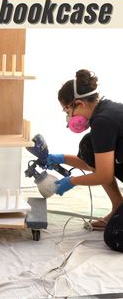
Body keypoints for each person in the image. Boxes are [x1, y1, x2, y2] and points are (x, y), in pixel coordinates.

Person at [47, 69, 123, 252]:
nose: (68, 118)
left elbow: (104, 175)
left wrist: (70, 181)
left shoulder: (103, 122)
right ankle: (118, 206)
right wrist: (62, 158)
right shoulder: (106, 110)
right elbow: (100, 163)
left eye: (67, 111)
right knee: (89, 146)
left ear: (79, 104)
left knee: (115, 236)